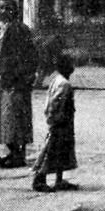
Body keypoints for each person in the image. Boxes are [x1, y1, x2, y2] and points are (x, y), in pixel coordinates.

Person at [0, 0, 38, 168]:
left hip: (16, 81)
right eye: (1, 8)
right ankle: (11, 151)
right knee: (5, 118)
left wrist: (22, 75)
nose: (4, 11)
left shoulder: (20, 30)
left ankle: (19, 154)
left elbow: (30, 56)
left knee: (16, 117)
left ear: (15, 10)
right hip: (3, 79)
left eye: (9, 8)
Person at [32, 52, 78, 192]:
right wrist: (56, 119)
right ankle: (39, 178)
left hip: (59, 121)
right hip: (60, 122)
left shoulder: (57, 80)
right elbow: (56, 104)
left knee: (61, 151)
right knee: (52, 151)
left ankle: (58, 180)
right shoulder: (65, 84)